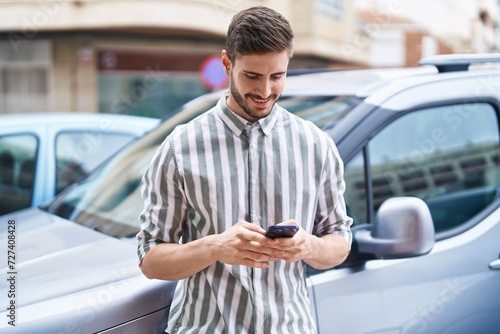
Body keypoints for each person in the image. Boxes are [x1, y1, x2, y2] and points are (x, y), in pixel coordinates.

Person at [137, 5, 352, 334]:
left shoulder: (316, 146)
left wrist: (309, 246)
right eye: (252, 76)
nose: (265, 91)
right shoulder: (179, 149)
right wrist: (216, 247)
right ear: (227, 63)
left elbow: (340, 240)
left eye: (277, 76)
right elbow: (150, 258)